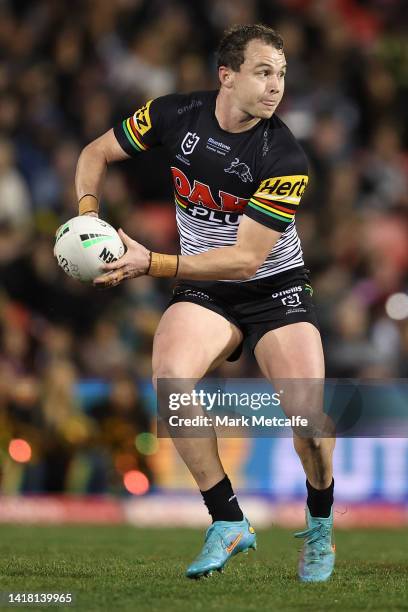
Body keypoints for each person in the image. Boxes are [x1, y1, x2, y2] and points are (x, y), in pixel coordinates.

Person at [74, 24, 335, 582]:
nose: (276, 86)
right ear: (227, 76)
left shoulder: (285, 156)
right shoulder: (173, 114)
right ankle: (227, 520)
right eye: (264, 72)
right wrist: (88, 217)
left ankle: (319, 524)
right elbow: (94, 152)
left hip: (274, 289)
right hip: (206, 290)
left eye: (282, 74)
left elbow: (244, 261)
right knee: (170, 379)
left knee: (309, 424)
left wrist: (155, 263)